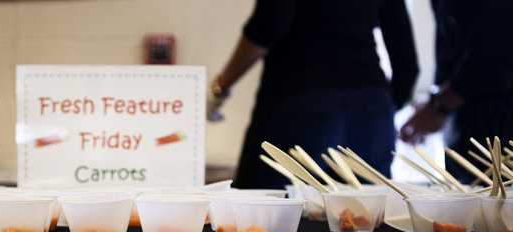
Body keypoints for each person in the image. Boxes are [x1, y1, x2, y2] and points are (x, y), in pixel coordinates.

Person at [209, 0, 419, 189]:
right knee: (364, 223)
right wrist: (380, 108)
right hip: (370, 110)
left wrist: (221, 87)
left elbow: (270, 22)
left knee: (265, 218)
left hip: (299, 105)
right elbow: (406, 62)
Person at [399, 0, 513, 182]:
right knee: (463, 202)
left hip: (497, 117)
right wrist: (437, 101)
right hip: (463, 119)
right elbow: (452, 43)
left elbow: (496, 45)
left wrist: (439, 105)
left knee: (497, 204)